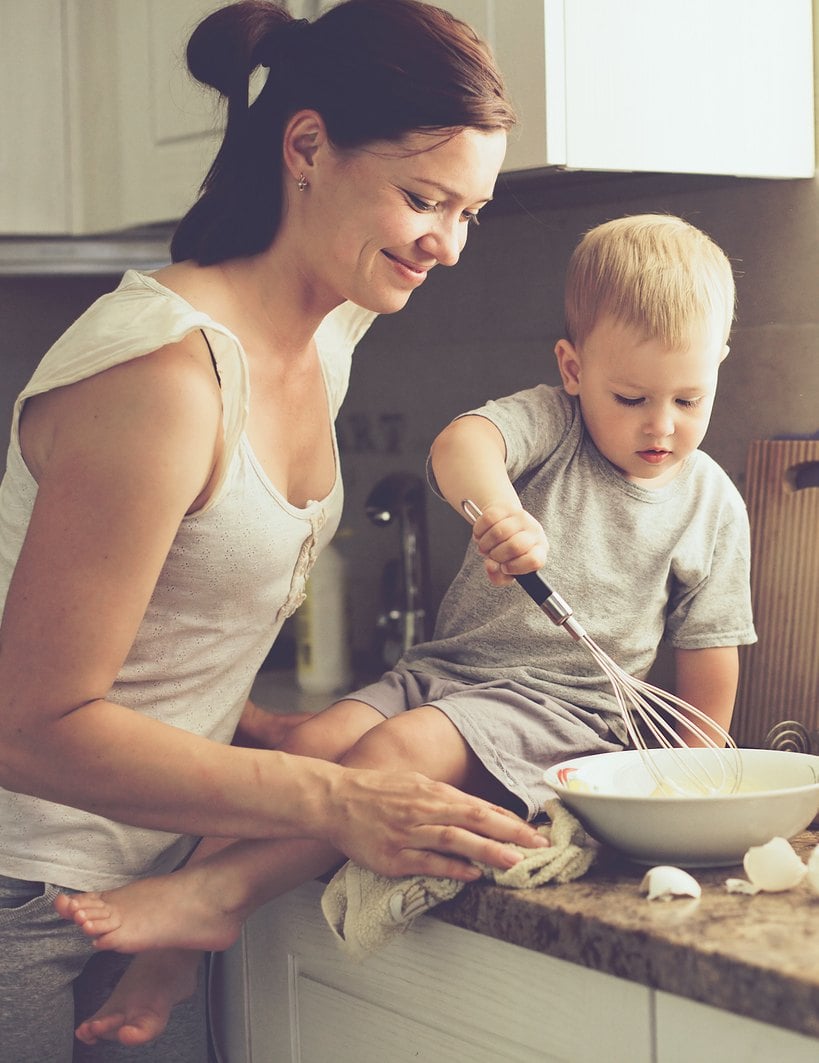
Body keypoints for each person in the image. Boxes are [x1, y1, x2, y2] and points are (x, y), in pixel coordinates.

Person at [0, 2, 553, 1059]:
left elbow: (162, 620)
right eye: (421, 197)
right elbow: (30, 722)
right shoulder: (164, 376)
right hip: (30, 897)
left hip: (161, 879)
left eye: (471, 210)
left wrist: (261, 728)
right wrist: (336, 797)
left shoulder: (329, 329)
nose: (447, 243)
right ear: (306, 147)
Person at [55, 212, 758, 1043]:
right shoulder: (549, 426)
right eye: (630, 397)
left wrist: (687, 805)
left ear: (717, 368)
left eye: (688, 398)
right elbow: (461, 444)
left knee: (396, 755)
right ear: (572, 370)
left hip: (568, 709)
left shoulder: (711, 504)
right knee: (309, 745)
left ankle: (221, 894)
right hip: (448, 669)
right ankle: (173, 957)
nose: (661, 425)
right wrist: (497, 510)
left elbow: (704, 708)